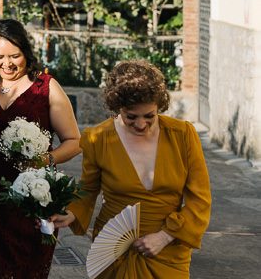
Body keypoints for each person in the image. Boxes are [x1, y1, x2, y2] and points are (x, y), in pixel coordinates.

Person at [51, 60, 211, 278]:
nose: (141, 125)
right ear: (118, 107)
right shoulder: (97, 137)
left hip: (167, 251)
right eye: (131, 117)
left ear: (159, 107)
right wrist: (71, 212)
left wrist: (164, 237)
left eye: (150, 116)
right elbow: (88, 188)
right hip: (114, 250)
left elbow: (200, 201)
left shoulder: (183, 135)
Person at [0, 18, 81, 279]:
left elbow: (74, 142)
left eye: (14, 56)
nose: (6, 64)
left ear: (26, 53)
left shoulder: (46, 87)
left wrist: (44, 159)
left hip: (30, 202)